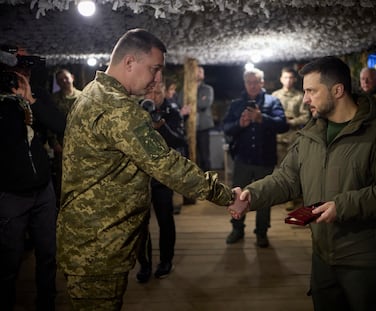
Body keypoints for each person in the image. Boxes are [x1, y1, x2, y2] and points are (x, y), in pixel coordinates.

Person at [57, 28, 246, 310]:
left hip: (88, 238)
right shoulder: (119, 109)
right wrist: (225, 196)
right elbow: (167, 164)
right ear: (130, 62)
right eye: (154, 69)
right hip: (99, 246)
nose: (158, 79)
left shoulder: (91, 93)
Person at [229, 56, 376, 311]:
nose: (305, 99)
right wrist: (252, 194)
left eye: (311, 91)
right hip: (322, 254)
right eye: (304, 91)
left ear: (337, 90)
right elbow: (288, 178)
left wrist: (343, 205)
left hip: (363, 256)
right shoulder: (312, 133)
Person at [0, 62, 57, 310]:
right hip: (11, 194)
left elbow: (61, 124)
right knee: (8, 262)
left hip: (43, 190)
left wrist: (30, 99)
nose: (24, 74)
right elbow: (10, 140)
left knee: (48, 255)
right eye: (18, 69)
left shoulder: (37, 94)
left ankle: (47, 303)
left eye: (27, 68)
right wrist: (14, 102)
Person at [223, 67, 289, 248]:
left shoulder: (273, 101)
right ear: (245, 83)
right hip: (242, 159)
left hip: (264, 159)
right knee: (237, 196)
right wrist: (240, 124)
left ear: (262, 83)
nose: (252, 85)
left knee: (264, 198)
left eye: (256, 82)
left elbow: (283, 125)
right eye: (249, 82)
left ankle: (261, 232)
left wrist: (262, 118)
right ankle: (237, 229)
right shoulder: (236, 104)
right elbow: (227, 128)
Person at [135, 81, 188, 283]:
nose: (153, 95)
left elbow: (180, 140)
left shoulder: (172, 111)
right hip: (140, 175)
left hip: (163, 175)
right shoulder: (138, 108)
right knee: (141, 222)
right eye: (150, 91)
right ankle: (145, 264)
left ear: (164, 92)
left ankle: (166, 261)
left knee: (165, 219)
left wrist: (161, 128)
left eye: (157, 91)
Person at [272, 67, 310, 211]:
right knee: (280, 169)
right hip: (278, 138)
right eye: (285, 77)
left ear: (294, 79)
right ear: (281, 79)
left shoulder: (300, 97)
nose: (288, 80)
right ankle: (283, 195)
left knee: (294, 170)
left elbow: (306, 116)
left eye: (290, 77)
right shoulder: (274, 96)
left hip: (293, 138)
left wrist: (291, 122)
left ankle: (293, 197)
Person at [50, 68, 82, 206]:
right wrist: (54, 143)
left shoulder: (82, 97)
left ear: (72, 77)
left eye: (66, 77)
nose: (64, 81)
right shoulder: (54, 99)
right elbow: (49, 122)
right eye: (60, 79)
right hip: (62, 145)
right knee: (62, 179)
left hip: (81, 145)